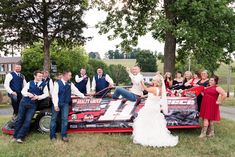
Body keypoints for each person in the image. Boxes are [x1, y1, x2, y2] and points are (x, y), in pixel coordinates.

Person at [132, 74, 178, 147]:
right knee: (155, 121)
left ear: (157, 82)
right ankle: (155, 134)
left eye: (153, 80)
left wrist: (141, 81)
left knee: (146, 120)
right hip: (155, 107)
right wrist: (144, 96)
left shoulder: (153, 88)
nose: (152, 81)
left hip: (150, 107)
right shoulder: (160, 89)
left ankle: (147, 135)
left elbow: (146, 89)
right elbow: (152, 94)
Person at [12, 70, 49, 143]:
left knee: (28, 120)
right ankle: (15, 136)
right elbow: (23, 91)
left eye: (41, 76)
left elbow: (46, 94)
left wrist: (38, 97)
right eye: (39, 76)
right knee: (20, 119)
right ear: (35, 76)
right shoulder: (29, 83)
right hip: (24, 102)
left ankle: (20, 137)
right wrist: (28, 94)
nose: (41, 77)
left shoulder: (44, 84)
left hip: (33, 105)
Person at [50, 70, 85, 142]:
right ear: (65, 75)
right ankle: (52, 136)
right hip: (57, 103)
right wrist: (56, 105)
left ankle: (64, 135)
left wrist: (83, 96)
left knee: (65, 119)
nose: (71, 76)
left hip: (65, 104)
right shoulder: (57, 83)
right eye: (69, 75)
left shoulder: (70, 83)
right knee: (54, 119)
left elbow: (76, 91)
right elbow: (54, 94)